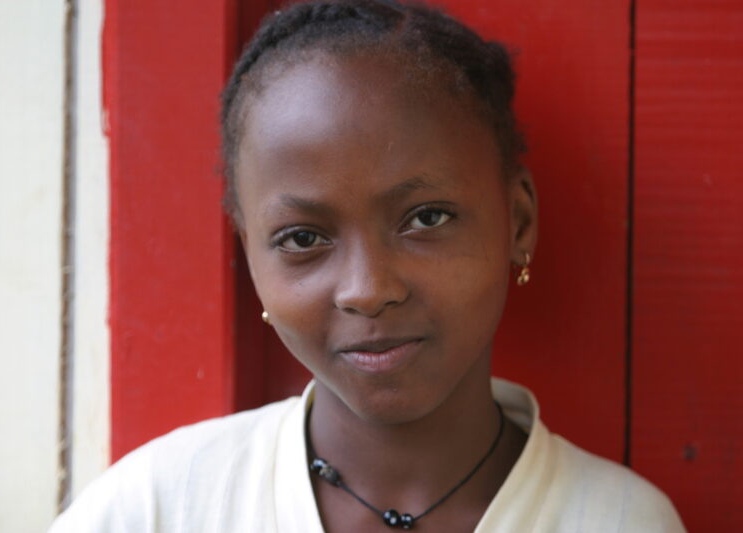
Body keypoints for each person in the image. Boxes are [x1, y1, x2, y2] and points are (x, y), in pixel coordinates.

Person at [50, 1, 687, 531]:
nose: (368, 289)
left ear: (517, 223)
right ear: (250, 256)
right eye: (303, 238)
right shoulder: (161, 507)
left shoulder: (618, 520)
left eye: (427, 218)